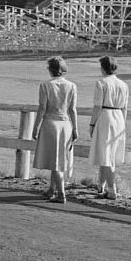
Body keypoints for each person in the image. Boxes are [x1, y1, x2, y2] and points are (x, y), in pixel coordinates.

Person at [32, 56, 78, 204]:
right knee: (58, 158)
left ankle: (61, 193)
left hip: (50, 123)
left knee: (55, 161)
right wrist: (76, 128)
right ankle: (51, 190)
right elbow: (72, 109)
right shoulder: (72, 86)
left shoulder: (45, 85)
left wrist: (35, 126)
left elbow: (42, 108)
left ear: (50, 70)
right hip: (65, 124)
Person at [88, 55, 129, 199]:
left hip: (106, 116)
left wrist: (92, 124)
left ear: (103, 68)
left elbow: (97, 106)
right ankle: (101, 185)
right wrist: (123, 125)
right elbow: (125, 107)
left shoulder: (101, 82)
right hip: (118, 118)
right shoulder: (123, 85)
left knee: (106, 154)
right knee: (108, 152)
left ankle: (111, 189)